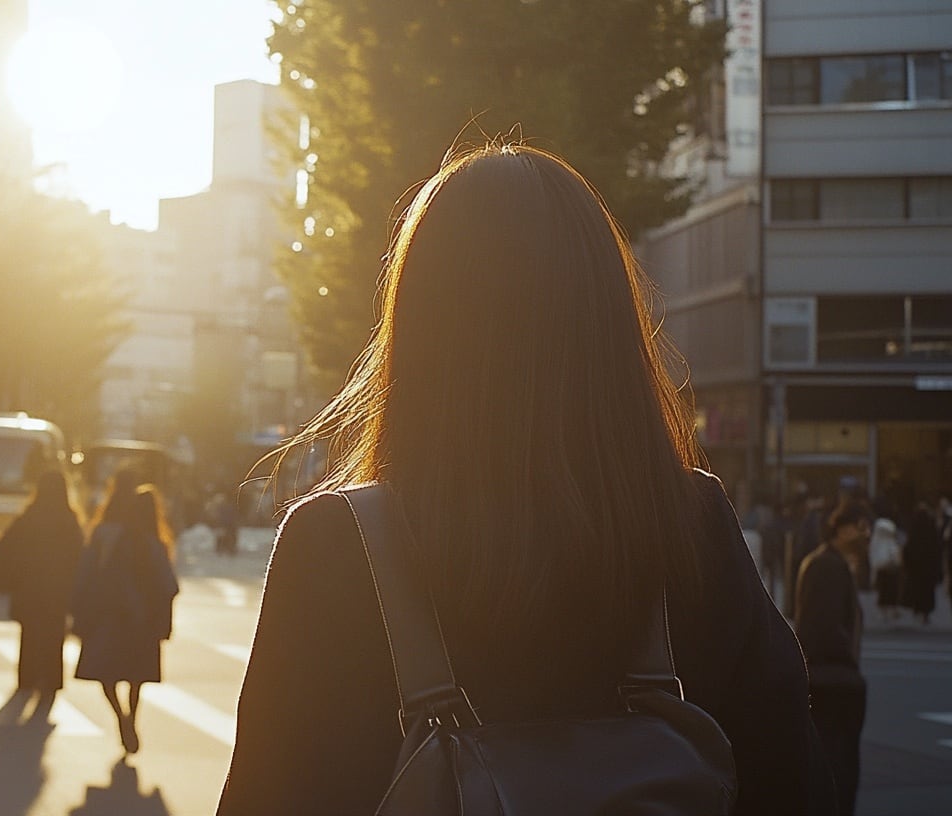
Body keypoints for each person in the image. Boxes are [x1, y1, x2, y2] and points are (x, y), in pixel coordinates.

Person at [215, 143, 833, 815]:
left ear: (419, 328)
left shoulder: (340, 548)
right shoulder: (694, 528)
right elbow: (794, 786)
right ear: (611, 326)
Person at [73, 484, 179, 755]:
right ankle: (132, 716)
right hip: (143, 622)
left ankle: (119, 716)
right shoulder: (155, 543)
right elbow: (169, 586)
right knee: (136, 677)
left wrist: (80, 608)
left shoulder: (109, 537)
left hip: (109, 616)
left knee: (106, 673)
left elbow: (89, 575)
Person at [795, 503, 871, 816]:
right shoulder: (827, 565)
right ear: (842, 530)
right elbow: (824, 629)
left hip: (828, 681)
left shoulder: (828, 562)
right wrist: (849, 671)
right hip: (832, 685)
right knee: (836, 773)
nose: (866, 534)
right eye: (860, 527)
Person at [0, 470, 85, 709]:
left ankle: (27, 680)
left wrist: (15, 575)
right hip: (58, 590)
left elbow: (0, 553)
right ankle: (50, 682)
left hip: (29, 588)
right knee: (54, 637)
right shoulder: (69, 520)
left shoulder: (28, 518)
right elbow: (80, 558)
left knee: (30, 636)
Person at [901, 500, 943, 625]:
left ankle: (917, 611)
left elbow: (908, 548)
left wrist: (907, 564)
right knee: (927, 591)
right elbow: (937, 549)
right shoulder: (931, 528)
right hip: (929, 567)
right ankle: (925, 614)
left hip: (916, 567)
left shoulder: (914, 528)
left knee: (916, 589)